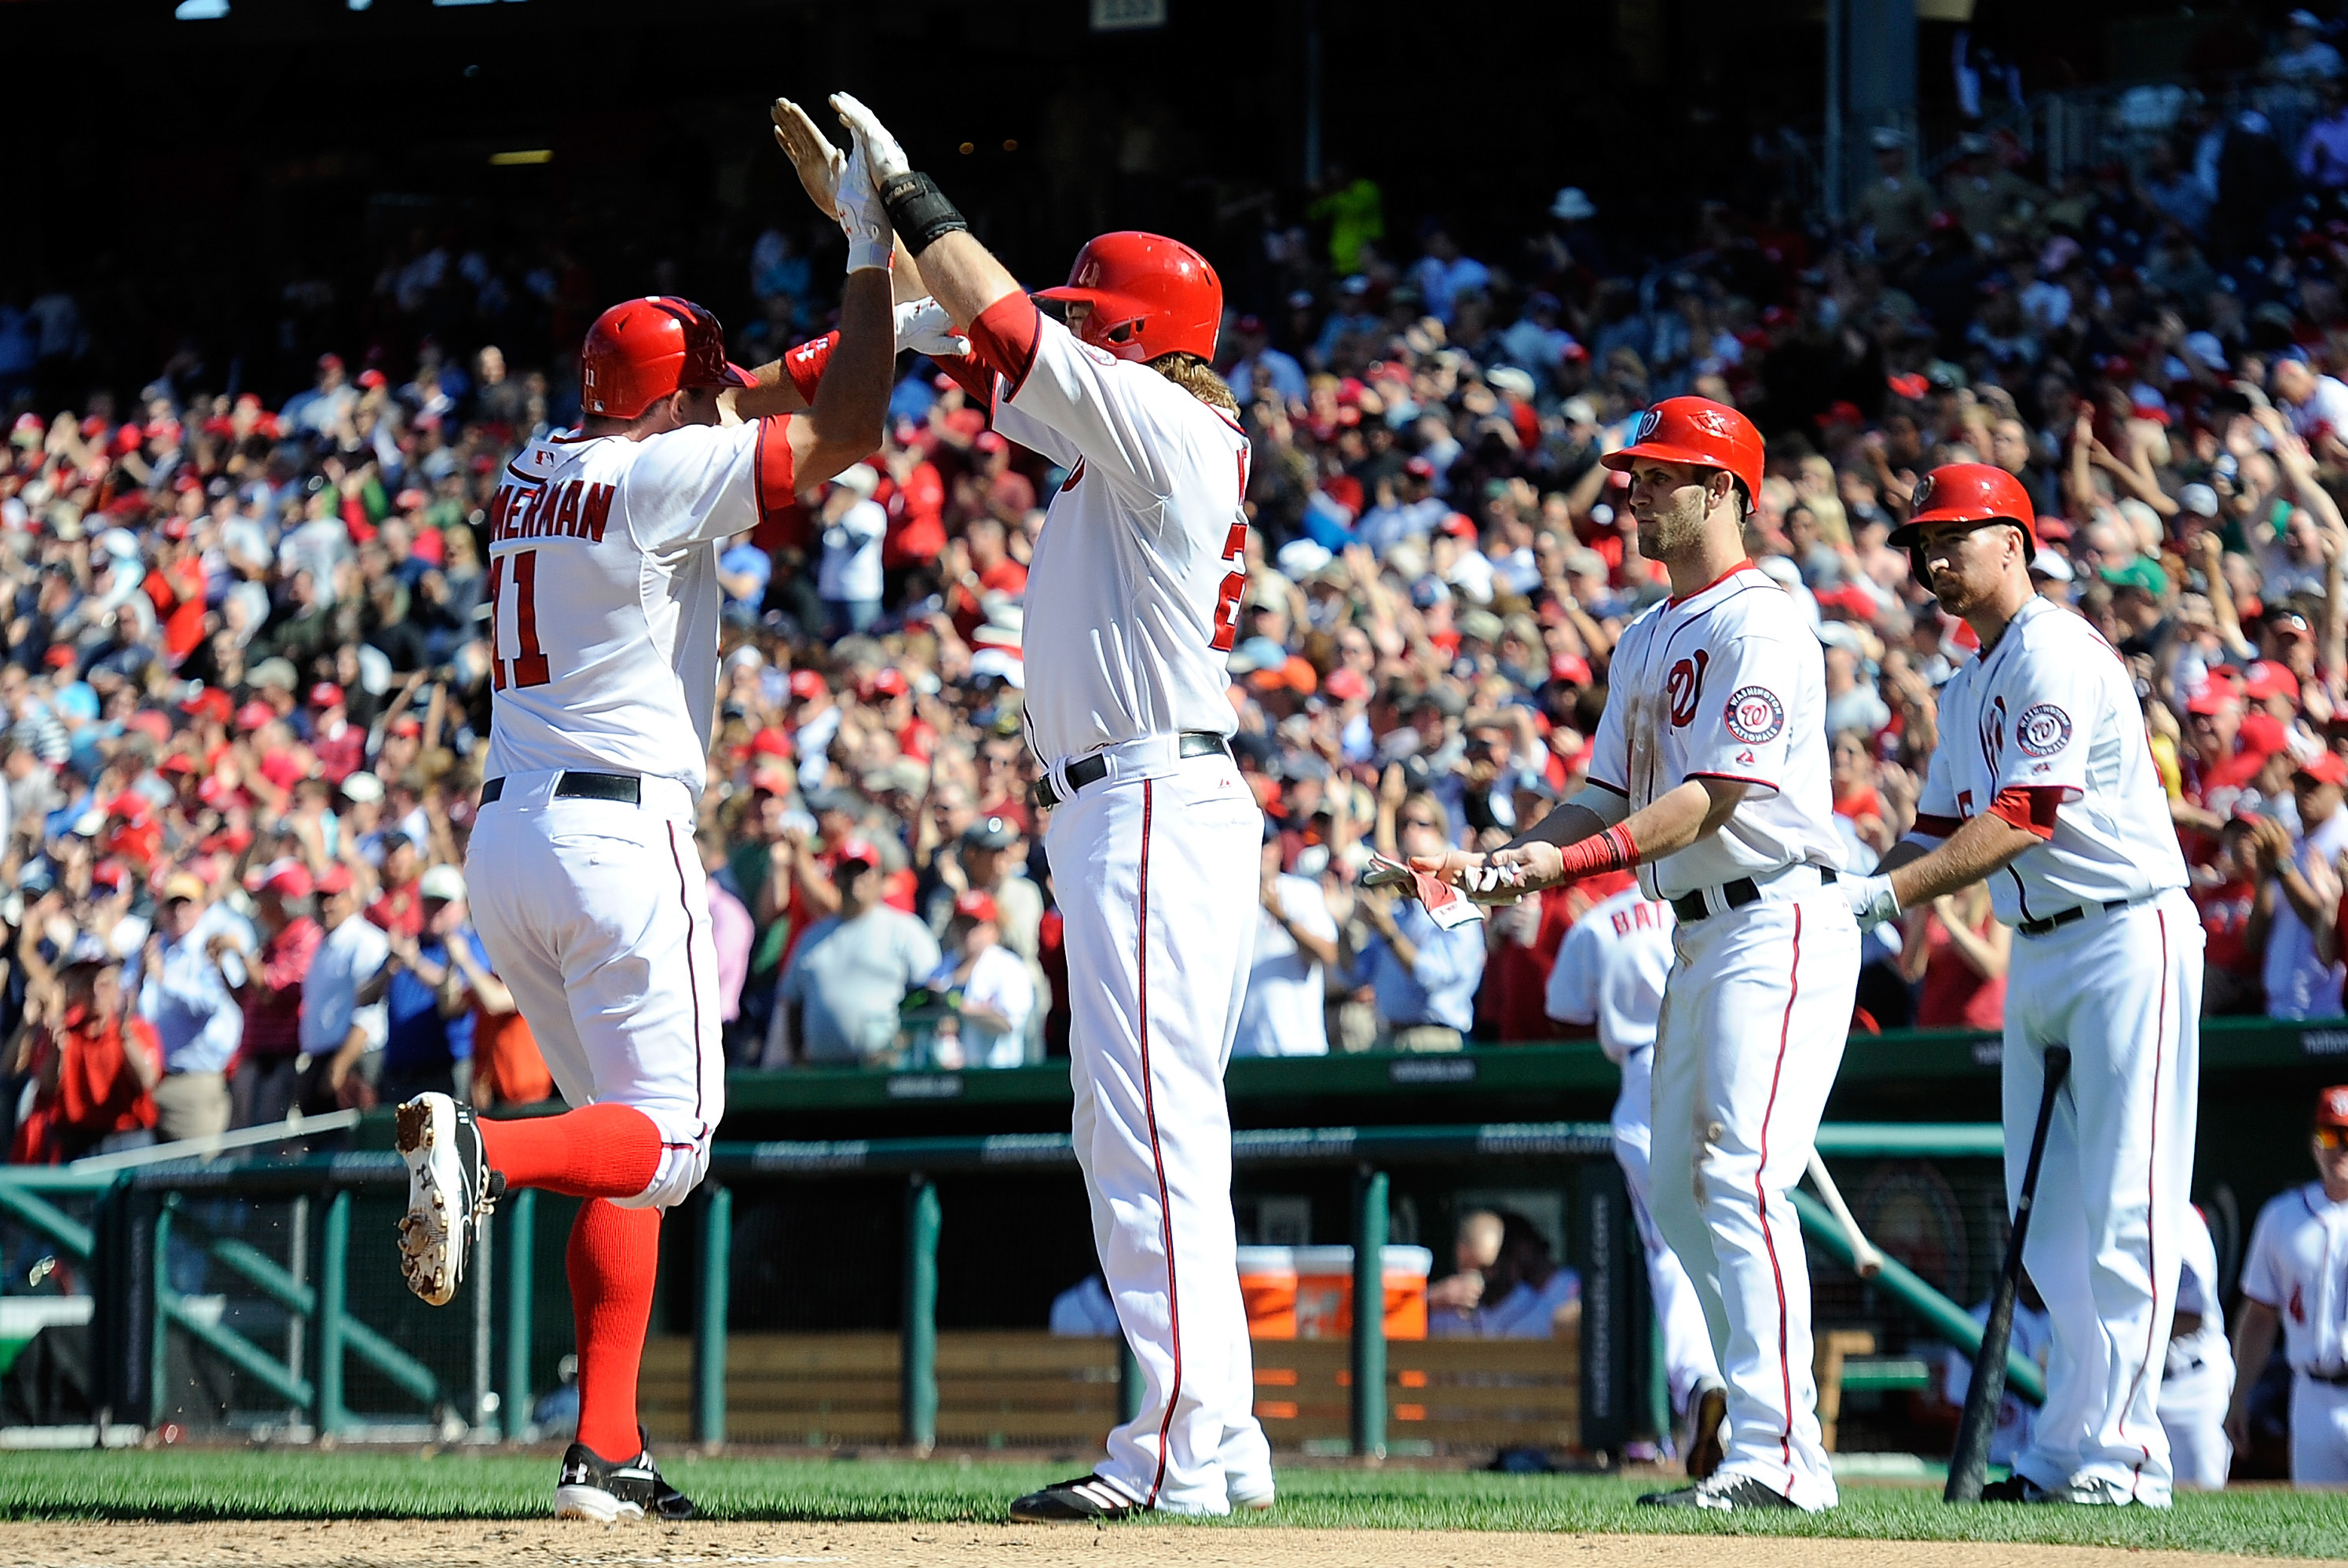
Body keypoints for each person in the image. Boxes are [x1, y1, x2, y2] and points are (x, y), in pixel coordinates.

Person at [390, 94, 911, 1522]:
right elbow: (840, 428)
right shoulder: (659, 478)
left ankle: (602, 1450)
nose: (718, 396)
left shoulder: (537, 464)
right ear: (669, 397)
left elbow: (732, 405)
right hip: (619, 836)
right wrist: (871, 249)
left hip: (507, 836)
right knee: (668, 1145)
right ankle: (482, 1149)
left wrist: (890, 315)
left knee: (617, 1134)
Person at [820, 94, 1272, 1519]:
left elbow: (1005, 324)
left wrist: (911, 189)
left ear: (1141, 337)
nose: (1079, 332)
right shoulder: (1129, 443)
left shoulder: (1164, 433)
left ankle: (1181, 1447)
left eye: (1100, 317)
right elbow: (954, 328)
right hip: (1129, 804)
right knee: (1137, 1124)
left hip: (1148, 798)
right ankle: (1224, 1438)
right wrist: (860, 236)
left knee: (1144, 1128)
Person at [1423, 396, 1859, 1513]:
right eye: (1633, 474)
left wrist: (1568, 868)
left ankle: (1780, 1455)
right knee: (1676, 1188)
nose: (1634, 491)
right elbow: (1602, 795)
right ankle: (1748, 1430)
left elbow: (1712, 798)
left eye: (1662, 475)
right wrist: (1504, 863)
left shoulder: (1759, 619)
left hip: (1777, 916)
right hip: (1702, 932)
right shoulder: (1646, 632)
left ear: (1727, 493)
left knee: (1739, 1177)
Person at [1845, 463, 2200, 1507]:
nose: (1933, 560)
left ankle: (2129, 1459)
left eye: (1952, 537)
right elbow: (1938, 828)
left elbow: (2020, 822)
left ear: (2014, 539)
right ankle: (2063, 1450)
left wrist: (1878, 902)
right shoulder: (1966, 681)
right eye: (1922, 543)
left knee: (2126, 1209)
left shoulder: (2058, 652)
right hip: (2040, 946)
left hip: (2125, 932)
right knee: (2043, 1222)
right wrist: (1842, 889)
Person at [1544, 882, 1727, 1475]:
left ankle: (1700, 1382)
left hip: (1642, 1075)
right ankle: (1753, 1397)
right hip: (1716, 1065)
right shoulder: (1713, 898)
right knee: (1739, 1233)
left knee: (1671, 1255)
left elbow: (1564, 1013)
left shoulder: (1596, 922)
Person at [2228, 1083, 2348, 1485]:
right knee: (2317, 1536)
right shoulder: (2283, 1217)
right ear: (2315, 1144)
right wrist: (2239, 1394)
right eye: (2331, 1135)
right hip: (2311, 1397)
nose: (2340, 1149)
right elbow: (2260, 1316)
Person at [771, 837, 941, 1063]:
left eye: (863, 872)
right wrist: (797, 1058)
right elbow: (792, 1001)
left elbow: (933, 992)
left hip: (886, 1072)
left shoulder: (904, 930)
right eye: (847, 872)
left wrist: (905, 1039)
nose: (855, 879)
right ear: (836, 878)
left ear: (879, 878)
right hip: (823, 1072)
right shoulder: (813, 937)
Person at [1353, 793, 1486, 1051]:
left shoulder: (1457, 904)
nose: (1409, 831)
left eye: (1420, 823)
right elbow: (1357, 974)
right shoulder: (1397, 908)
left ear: (1440, 833)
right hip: (1388, 1036)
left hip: (1434, 1039)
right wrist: (1346, 924)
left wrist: (1388, 932)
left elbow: (1432, 976)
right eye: (1403, 823)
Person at [136, 871, 244, 1142]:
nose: (179, 911)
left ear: (201, 908)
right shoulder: (157, 948)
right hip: (154, 1079)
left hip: (196, 1081)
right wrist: (142, 974)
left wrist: (164, 979)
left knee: (196, 1172)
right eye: (172, 904)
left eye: (187, 903)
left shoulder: (209, 947)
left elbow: (209, 1004)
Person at [1234, 820, 1336, 1057]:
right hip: (1245, 1049)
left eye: (1265, 844)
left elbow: (1328, 954)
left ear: (1278, 847)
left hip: (1299, 1046)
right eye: (1254, 844)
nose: (1260, 852)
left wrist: (1282, 916)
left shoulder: (1303, 893)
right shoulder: (1227, 899)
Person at [301, 863, 390, 1112]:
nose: (325, 905)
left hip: (353, 1059)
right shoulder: (324, 943)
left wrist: (341, 1064)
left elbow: (369, 1009)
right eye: (320, 897)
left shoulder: (365, 941)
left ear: (350, 897)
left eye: (332, 897)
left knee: (354, 1147)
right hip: (323, 1059)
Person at [1943, 1275, 2054, 1471]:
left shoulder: (2081, 1325)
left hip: (2058, 1466)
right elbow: (1958, 1408)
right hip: (1993, 1463)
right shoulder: (1978, 1323)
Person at [2163, 1203, 2236, 1489]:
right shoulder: (2103, 1209)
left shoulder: (2180, 1217)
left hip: (2191, 1388)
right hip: (2141, 1385)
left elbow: (2191, 1316)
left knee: (2202, 1500)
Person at [925, 889, 1033, 1068]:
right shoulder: (941, 969)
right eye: (962, 923)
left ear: (993, 928)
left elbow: (1008, 1023)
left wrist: (958, 1007)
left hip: (996, 1079)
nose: (967, 932)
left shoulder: (1009, 967)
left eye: (974, 924)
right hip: (945, 1081)